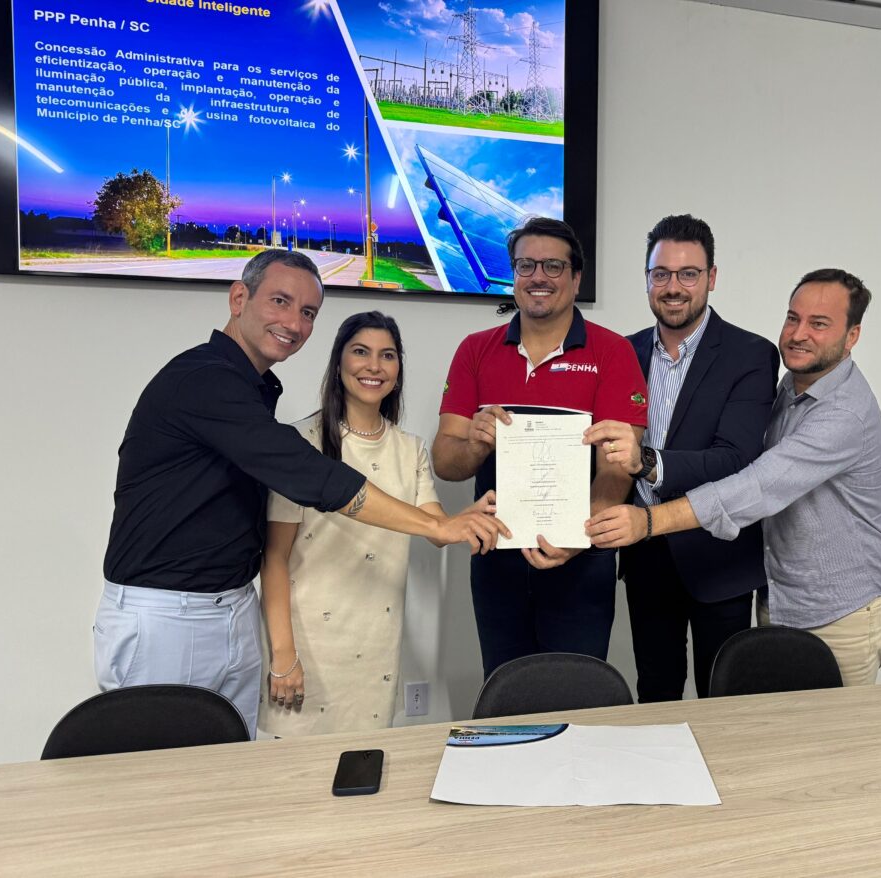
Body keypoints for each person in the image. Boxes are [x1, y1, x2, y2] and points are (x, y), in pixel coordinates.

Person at [97, 250, 505, 736]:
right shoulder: (204, 380)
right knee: (160, 772)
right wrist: (438, 523)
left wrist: (458, 522)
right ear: (238, 298)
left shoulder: (257, 388)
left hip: (233, 607)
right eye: (280, 301)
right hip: (169, 616)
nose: (293, 322)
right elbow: (312, 477)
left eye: (308, 312)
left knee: (232, 769)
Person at [588, 268, 881, 686]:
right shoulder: (791, 388)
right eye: (793, 318)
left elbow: (758, 486)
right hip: (781, 601)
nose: (798, 334)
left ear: (852, 335)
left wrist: (649, 520)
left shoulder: (844, 413)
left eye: (819, 324)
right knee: (773, 725)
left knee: (835, 729)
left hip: (840, 614)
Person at [432, 217, 648, 679]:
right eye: (525, 265)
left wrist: (578, 535)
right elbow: (445, 462)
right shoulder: (475, 350)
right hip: (497, 557)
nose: (538, 277)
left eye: (553, 265)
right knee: (506, 687)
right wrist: (475, 444)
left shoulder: (612, 352)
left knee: (577, 691)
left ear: (576, 277)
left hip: (581, 558)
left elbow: (618, 468)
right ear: (513, 274)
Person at [583, 215, 778, 702]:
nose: (673, 287)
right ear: (647, 278)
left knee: (723, 700)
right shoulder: (622, 352)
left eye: (688, 274)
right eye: (661, 274)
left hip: (719, 559)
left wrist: (645, 461)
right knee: (655, 693)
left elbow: (735, 460)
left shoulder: (751, 354)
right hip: (644, 555)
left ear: (712, 277)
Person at [259, 311, 454, 735]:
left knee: (364, 762)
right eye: (361, 352)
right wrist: (283, 654)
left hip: (376, 643)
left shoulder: (411, 449)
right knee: (295, 767)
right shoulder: (300, 444)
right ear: (339, 363)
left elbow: (438, 530)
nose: (374, 366)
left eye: (388, 355)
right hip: (306, 643)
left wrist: (478, 516)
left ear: (398, 371)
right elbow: (274, 558)